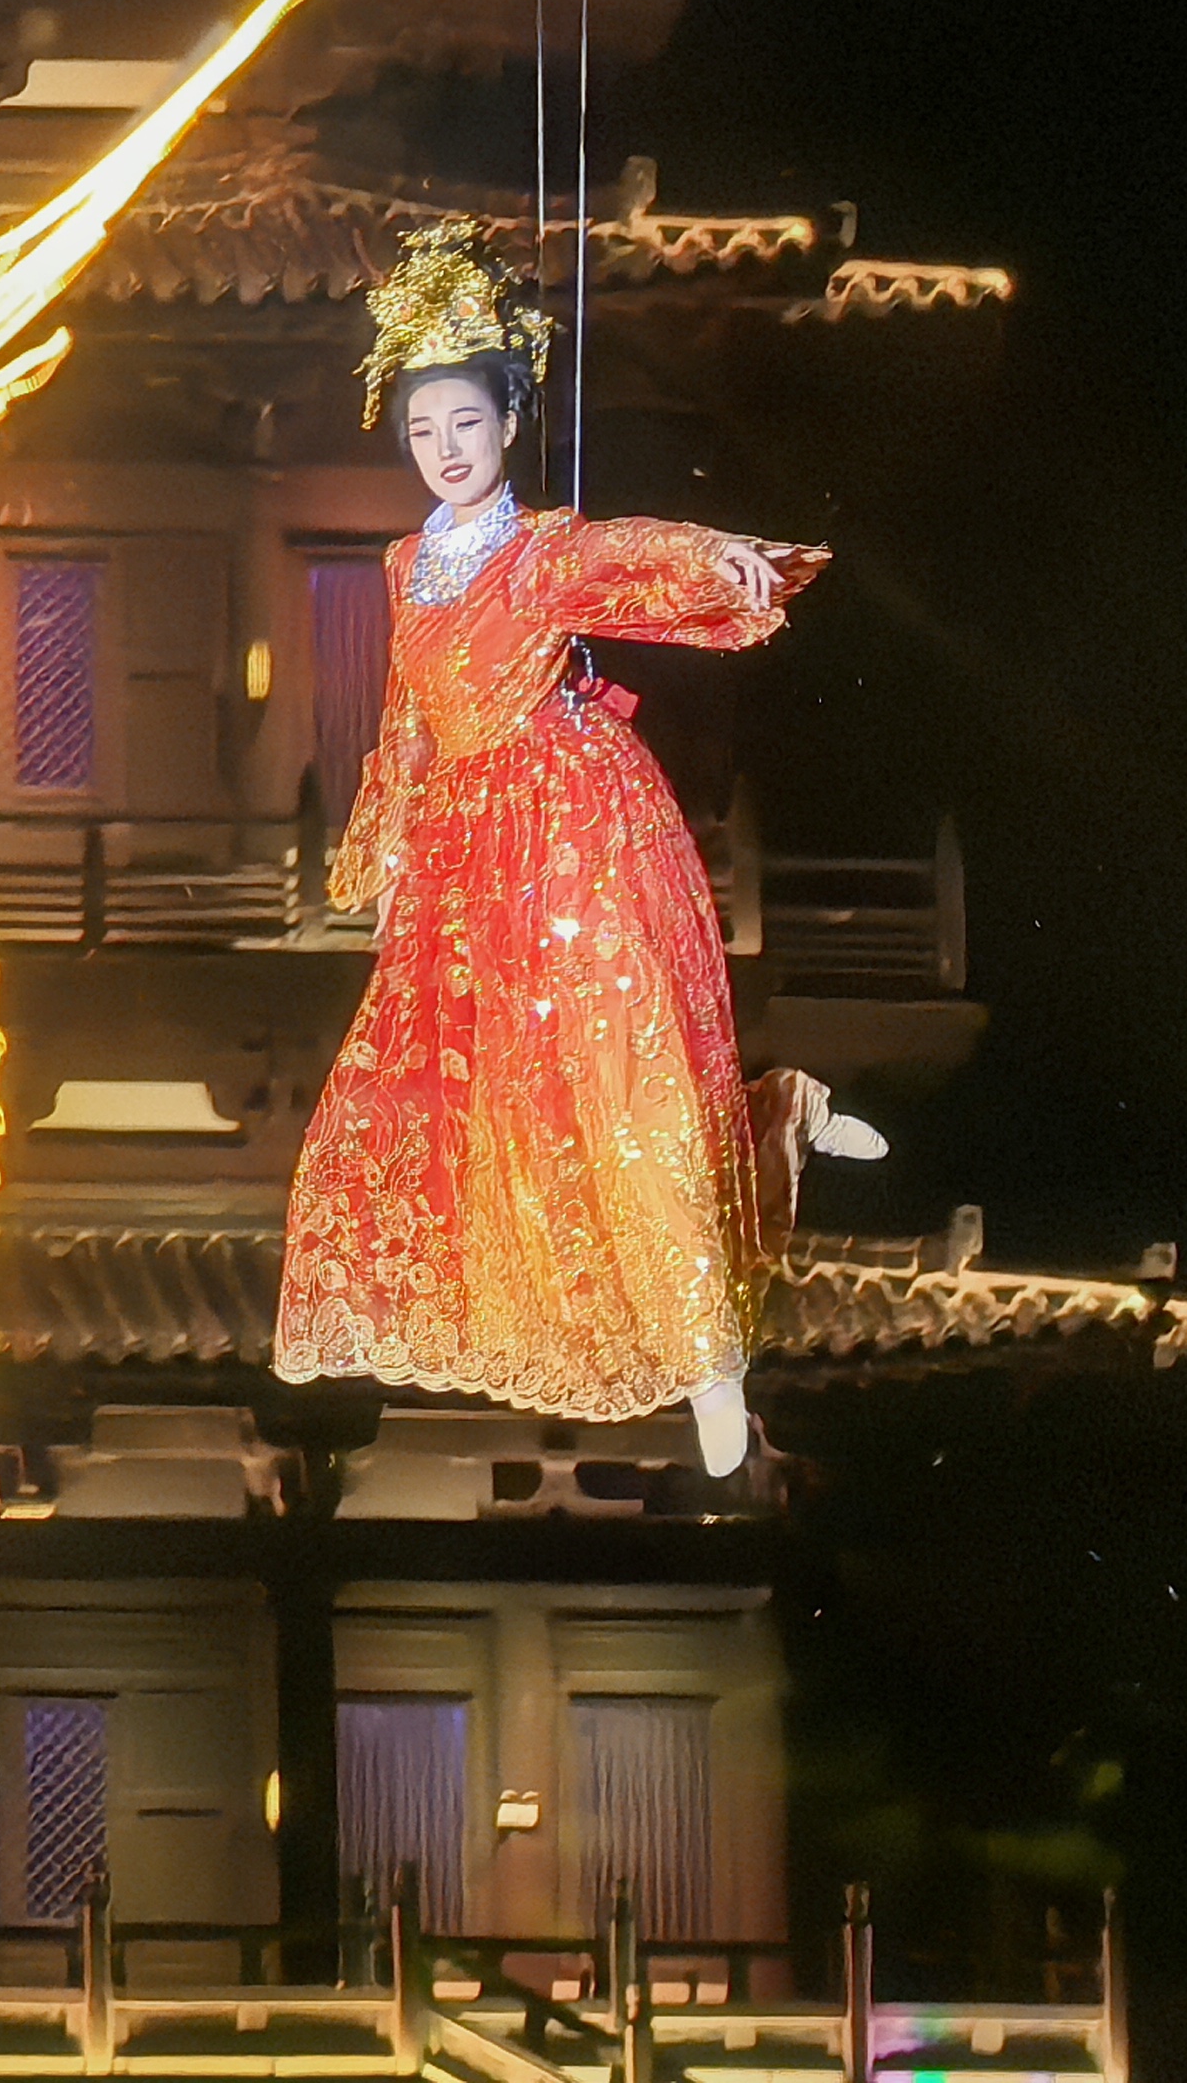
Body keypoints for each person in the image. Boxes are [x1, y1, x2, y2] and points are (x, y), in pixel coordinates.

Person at [271, 222, 874, 1475]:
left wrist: (716, 558)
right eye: (423, 430)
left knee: (624, 1083)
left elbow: (626, 553)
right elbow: (405, 712)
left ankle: (710, 1362)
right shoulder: (403, 562)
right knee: (487, 1117)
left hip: (572, 830)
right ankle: (780, 1119)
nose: (446, 449)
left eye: (467, 423)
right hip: (461, 864)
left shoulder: (540, 549)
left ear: (506, 422)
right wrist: (387, 847)